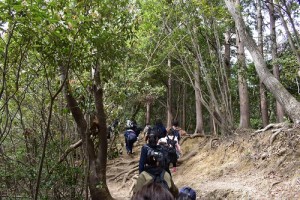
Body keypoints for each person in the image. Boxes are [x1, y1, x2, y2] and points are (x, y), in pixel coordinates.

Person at [135, 130, 178, 198]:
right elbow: (175, 193)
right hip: (162, 172)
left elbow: (141, 164)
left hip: (147, 173)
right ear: (157, 139)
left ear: (148, 138)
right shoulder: (161, 148)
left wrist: (141, 173)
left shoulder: (145, 148)